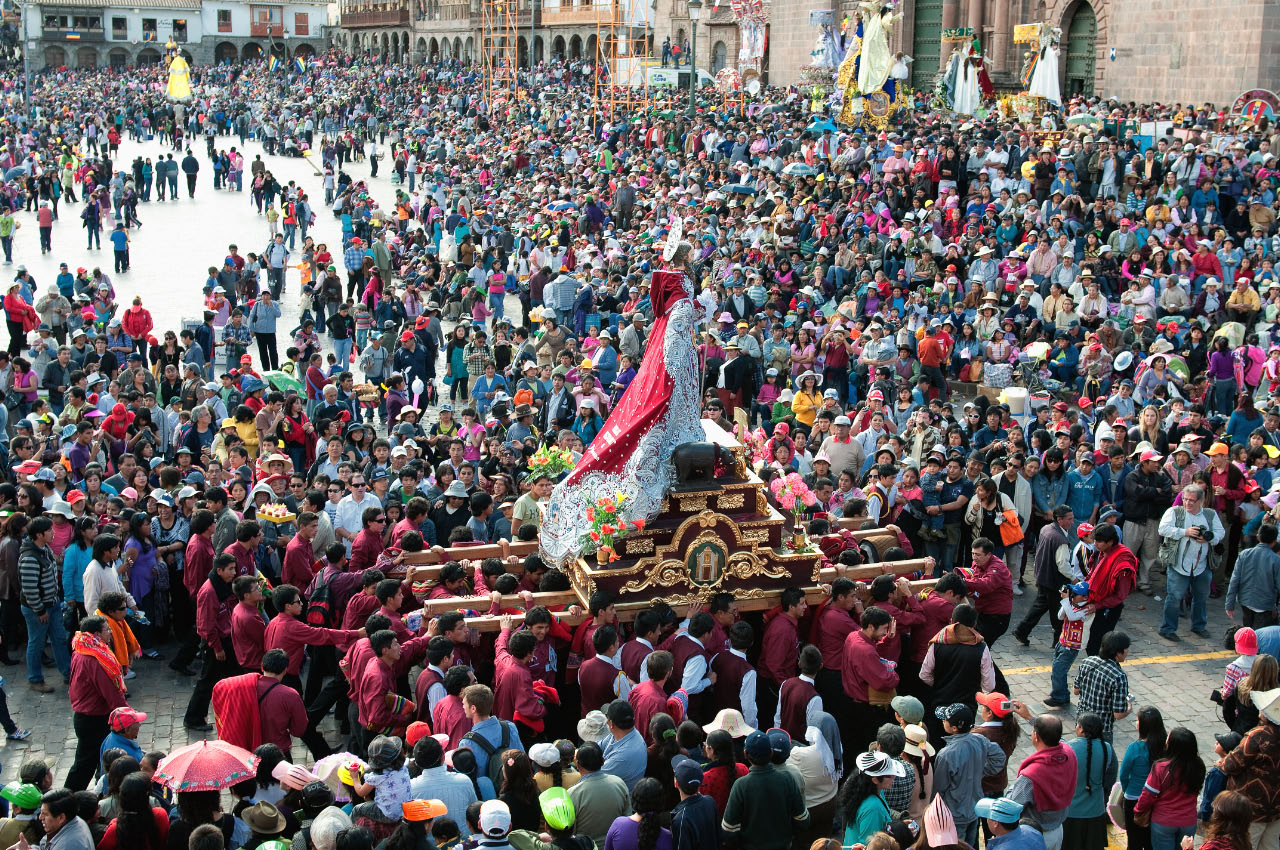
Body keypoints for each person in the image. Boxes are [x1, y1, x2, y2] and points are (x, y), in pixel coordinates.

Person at [67, 614, 130, 791]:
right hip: (93, 719)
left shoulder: (82, 649)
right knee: (85, 764)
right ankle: (67, 798)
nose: (110, 633)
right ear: (96, 634)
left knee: (98, 761)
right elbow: (110, 692)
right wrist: (127, 715)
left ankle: (99, 791)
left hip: (87, 715)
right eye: (107, 630)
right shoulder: (94, 658)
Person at [720, 730, 808, 850]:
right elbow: (803, 820)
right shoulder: (787, 779)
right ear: (770, 753)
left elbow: (728, 830)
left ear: (745, 754)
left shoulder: (741, 785)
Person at [1133, 727, 1206, 850]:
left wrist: (1138, 810)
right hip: (1188, 821)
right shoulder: (1199, 766)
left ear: (1173, 745)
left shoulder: (1161, 768)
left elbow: (1148, 795)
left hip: (1163, 822)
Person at [1063, 712, 1115, 850]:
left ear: (1080, 729)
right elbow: (1110, 777)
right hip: (1096, 813)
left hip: (1072, 813)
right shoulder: (1107, 749)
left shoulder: (1069, 748)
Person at [1073, 631, 1133, 743]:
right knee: (1105, 758)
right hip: (1102, 729)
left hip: (1081, 724)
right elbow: (1118, 714)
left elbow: (1076, 691)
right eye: (1126, 649)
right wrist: (1129, 707)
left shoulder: (1087, 661)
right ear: (1118, 653)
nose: (1127, 652)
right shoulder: (1118, 676)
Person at [839, 751, 904, 846]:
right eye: (889, 775)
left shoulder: (875, 791)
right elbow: (870, 845)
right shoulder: (873, 808)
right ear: (875, 779)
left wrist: (898, 826)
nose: (894, 776)